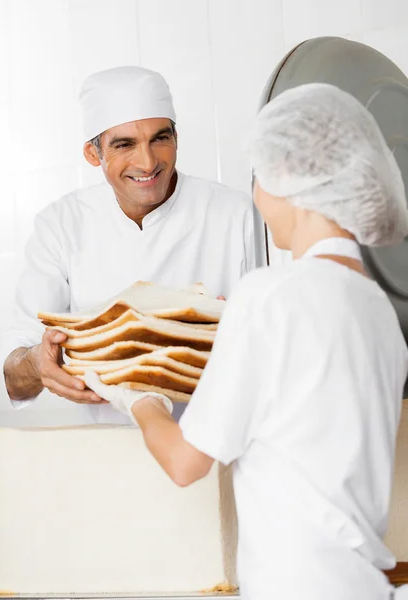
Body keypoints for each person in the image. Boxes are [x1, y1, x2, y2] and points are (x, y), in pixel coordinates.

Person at [85, 84, 408, 599]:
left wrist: (137, 393)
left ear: (286, 181)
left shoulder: (271, 295)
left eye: (258, 178)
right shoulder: (379, 312)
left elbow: (185, 463)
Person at [0, 66, 255, 423]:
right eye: (124, 145)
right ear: (93, 153)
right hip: (110, 456)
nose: (148, 162)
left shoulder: (237, 214)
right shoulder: (61, 225)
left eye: (160, 138)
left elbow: (280, 349)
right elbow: (14, 376)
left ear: (176, 138)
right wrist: (38, 365)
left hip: (219, 449)